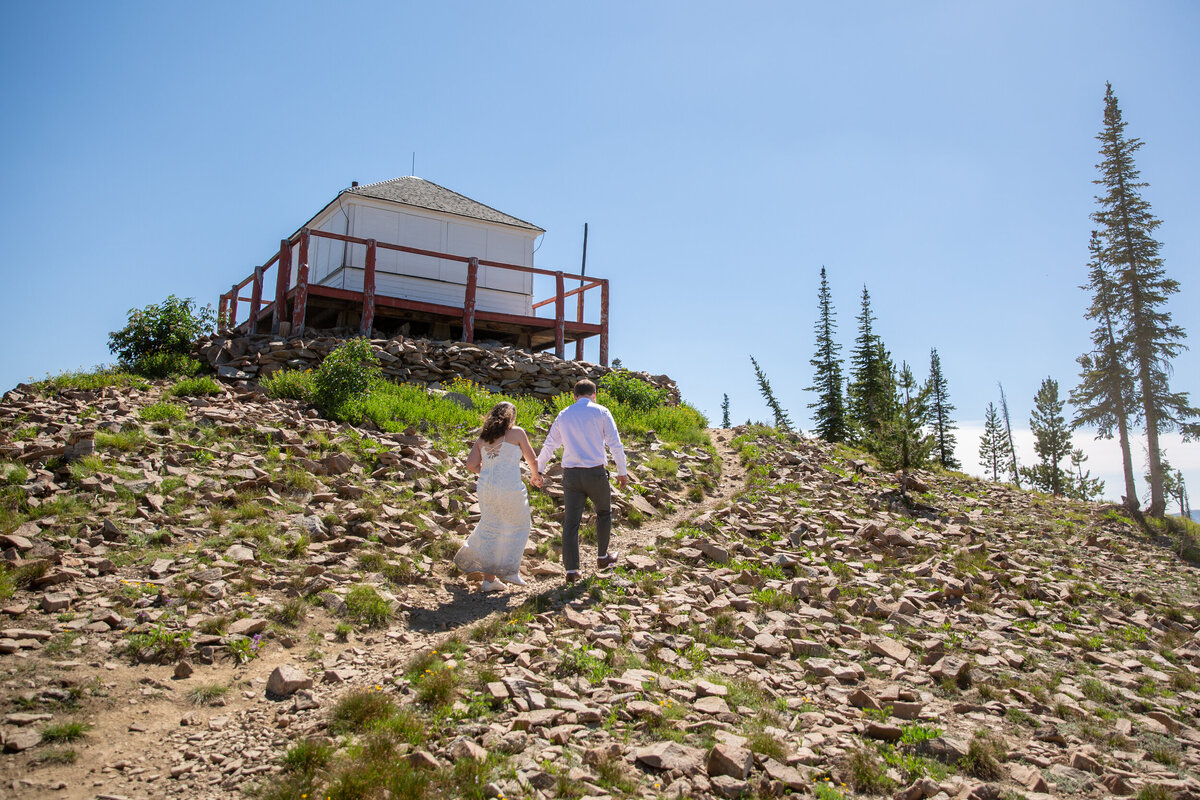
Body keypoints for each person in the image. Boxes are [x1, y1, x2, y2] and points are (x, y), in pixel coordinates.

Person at [537, 379, 630, 583]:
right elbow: (615, 444)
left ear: (574, 396)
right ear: (594, 395)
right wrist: (622, 471)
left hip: (570, 475)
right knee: (604, 512)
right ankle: (602, 557)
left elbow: (550, 445)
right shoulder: (602, 412)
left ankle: (572, 570)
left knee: (571, 522)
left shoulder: (564, 414)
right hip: (595, 473)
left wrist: (538, 469)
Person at [454, 402, 543, 592]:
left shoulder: (483, 438)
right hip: (509, 486)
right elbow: (532, 459)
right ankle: (509, 571)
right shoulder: (516, 432)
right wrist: (536, 476)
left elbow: (470, 465)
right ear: (511, 417)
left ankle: (489, 580)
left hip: (486, 487)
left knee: (491, 527)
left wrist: (487, 472)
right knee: (520, 525)